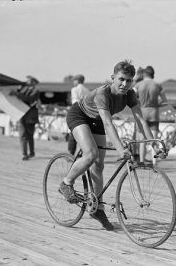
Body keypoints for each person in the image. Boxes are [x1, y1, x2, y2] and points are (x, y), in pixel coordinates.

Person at [59, 60, 166, 230]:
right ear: (113, 78)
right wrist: (120, 149)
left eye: (129, 80)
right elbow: (109, 124)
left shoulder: (130, 94)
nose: (125, 84)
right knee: (91, 154)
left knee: (98, 166)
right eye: (121, 79)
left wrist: (154, 145)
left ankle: (97, 208)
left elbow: (140, 119)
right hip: (80, 116)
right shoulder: (103, 93)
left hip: (98, 121)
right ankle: (67, 182)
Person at [133, 66, 168, 164]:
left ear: (144, 74)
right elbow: (165, 102)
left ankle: (141, 161)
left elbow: (132, 99)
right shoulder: (157, 85)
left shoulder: (138, 85)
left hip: (142, 112)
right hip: (154, 113)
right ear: (153, 74)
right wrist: (156, 104)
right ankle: (154, 163)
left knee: (142, 139)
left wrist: (139, 104)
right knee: (154, 138)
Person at [10, 76, 40, 161]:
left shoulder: (36, 91)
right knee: (22, 135)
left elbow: (28, 99)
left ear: (33, 82)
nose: (26, 81)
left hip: (30, 116)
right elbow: (17, 95)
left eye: (29, 80)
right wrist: (17, 90)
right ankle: (24, 154)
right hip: (21, 115)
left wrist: (17, 93)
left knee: (30, 135)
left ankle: (31, 152)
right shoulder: (22, 89)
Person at [68, 74, 90, 155]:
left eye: (74, 80)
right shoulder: (87, 90)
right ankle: (81, 153)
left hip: (77, 113)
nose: (74, 82)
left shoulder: (74, 89)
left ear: (77, 81)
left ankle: (71, 153)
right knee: (84, 134)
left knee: (73, 134)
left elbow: (75, 102)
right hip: (86, 114)